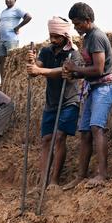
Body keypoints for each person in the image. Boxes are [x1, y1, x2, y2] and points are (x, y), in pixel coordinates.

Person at [62, 2, 112, 187]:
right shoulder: (87, 37)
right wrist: (74, 73)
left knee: (96, 127)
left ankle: (102, 174)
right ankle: (81, 175)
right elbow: (88, 70)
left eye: (77, 24)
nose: (76, 27)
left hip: (104, 87)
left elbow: (99, 69)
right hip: (93, 87)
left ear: (87, 20)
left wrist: (75, 68)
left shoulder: (96, 37)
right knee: (85, 131)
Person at [26, 17, 83, 186]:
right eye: (51, 35)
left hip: (68, 101)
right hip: (51, 103)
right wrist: (31, 62)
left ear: (65, 35)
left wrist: (39, 69)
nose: (53, 39)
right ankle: (43, 181)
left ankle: (54, 181)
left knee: (59, 138)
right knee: (46, 140)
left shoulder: (73, 52)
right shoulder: (46, 51)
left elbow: (62, 70)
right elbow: (33, 70)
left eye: (57, 36)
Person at [0, 0, 32, 82]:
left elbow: (29, 17)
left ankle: (12, 81)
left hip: (11, 39)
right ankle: (3, 82)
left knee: (11, 61)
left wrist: (18, 27)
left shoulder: (17, 9)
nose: (8, 1)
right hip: (2, 40)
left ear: (15, 0)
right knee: (1, 60)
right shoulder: (3, 12)